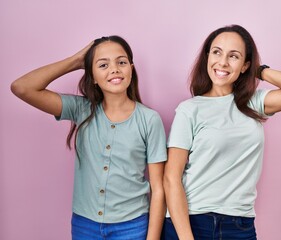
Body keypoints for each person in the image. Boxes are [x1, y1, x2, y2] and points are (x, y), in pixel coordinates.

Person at [162, 25, 281, 240]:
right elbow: (171, 177)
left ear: (245, 65)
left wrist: (260, 70)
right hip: (193, 220)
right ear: (207, 57)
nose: (223, 62)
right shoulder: (190, 109)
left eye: (233, 56)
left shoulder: (254, 102)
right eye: (216, 52)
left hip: (239, 223)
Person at [11, 36, 167, 240]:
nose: (114, 69)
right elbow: (22, 88)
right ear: (92, 76)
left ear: (131, 68)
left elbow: (158, 188)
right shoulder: (81, 109)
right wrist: (75, 61)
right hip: (85, 225)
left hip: (132, 225)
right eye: (103, 64)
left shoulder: (150, 120)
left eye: (121, 62)